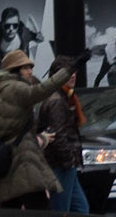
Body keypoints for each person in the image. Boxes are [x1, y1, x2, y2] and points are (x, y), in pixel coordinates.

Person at [0, 47, 80, 210]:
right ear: (14, 71)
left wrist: (42, 138)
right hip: (23, 160)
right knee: (39, 206)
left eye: (31, 67)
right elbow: (41, 90)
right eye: (25, 67)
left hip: (13, 160)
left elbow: (12, 130)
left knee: (11, 206)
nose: (30, 71)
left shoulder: (4, 91)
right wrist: (69, 70)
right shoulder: (15, 88)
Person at [38, 68, 88, 214]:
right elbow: (58, 135)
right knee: (62, 210)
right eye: (68, 73)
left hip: (65, 165)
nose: (73, 75)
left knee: (80, 208)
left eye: (74, 72)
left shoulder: (66, 96)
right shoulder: (56, 101)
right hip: (60, 165)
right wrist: (69, 160)